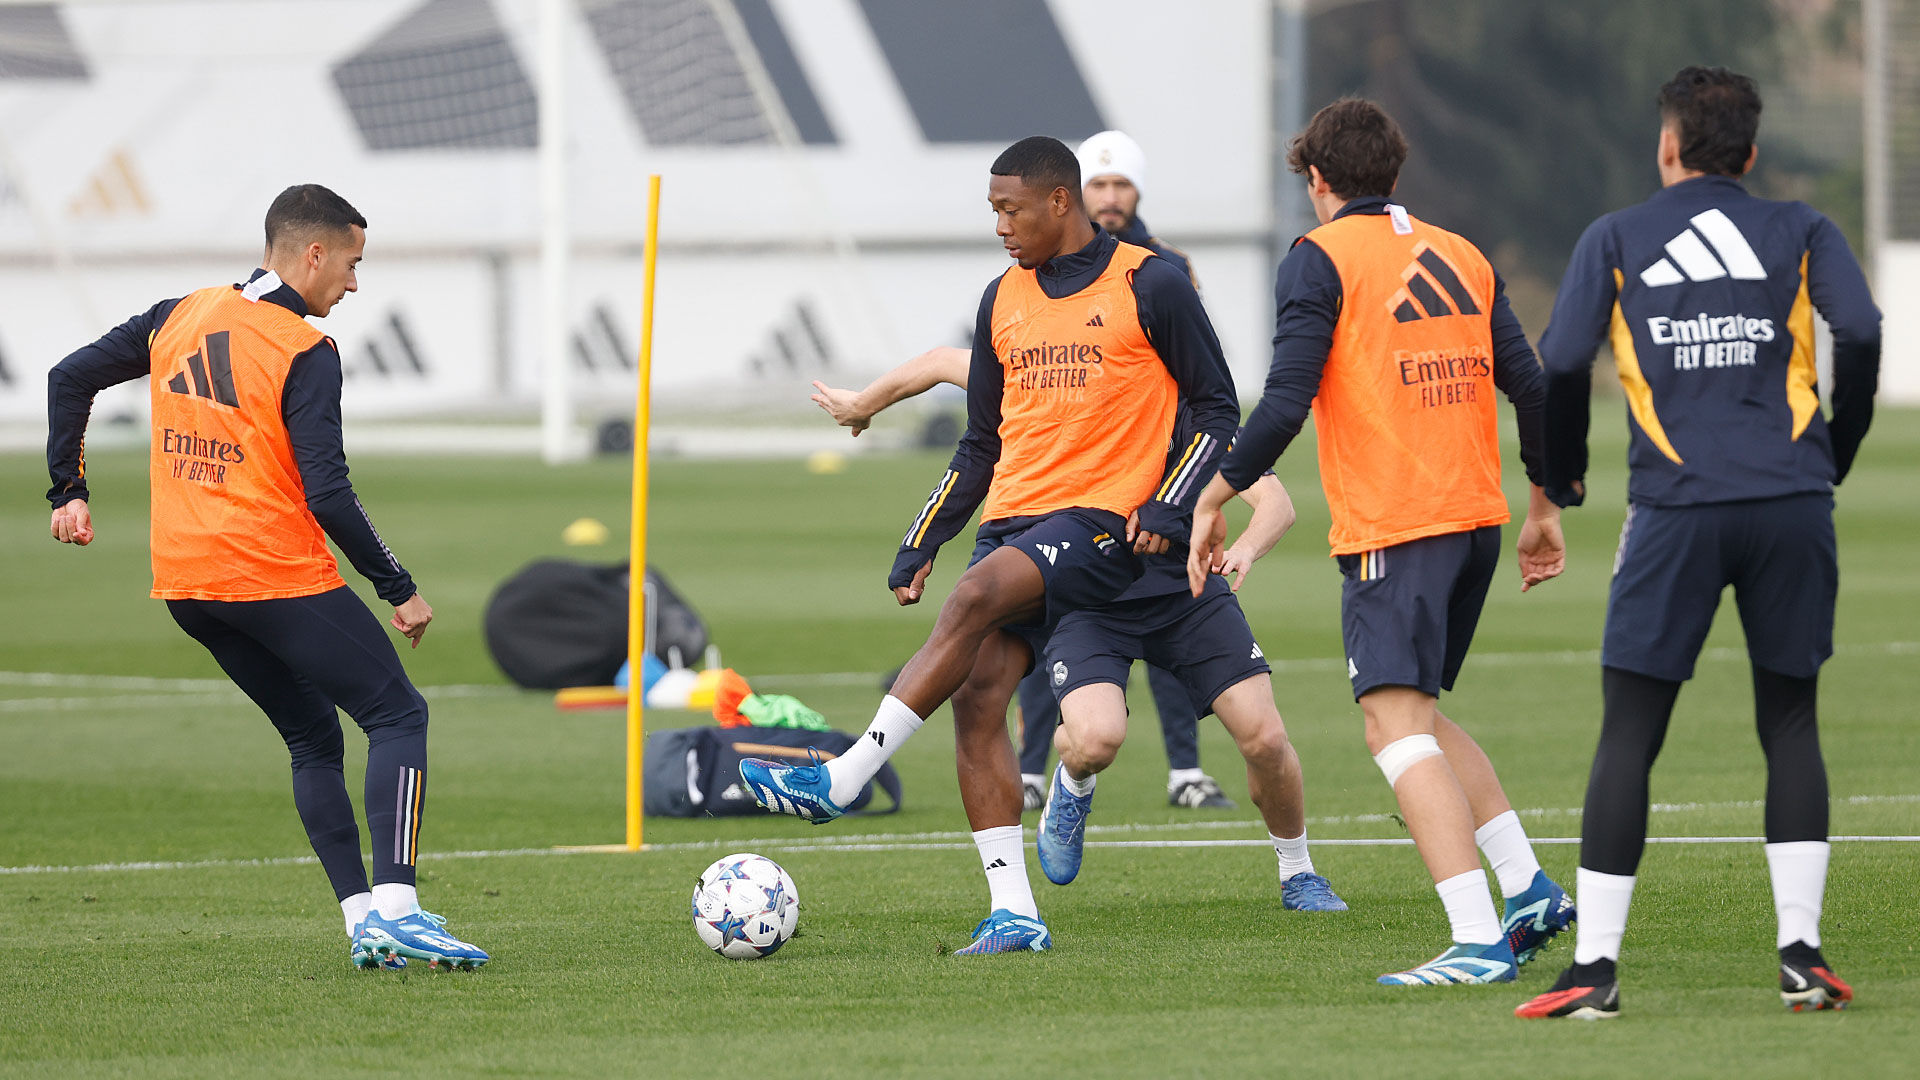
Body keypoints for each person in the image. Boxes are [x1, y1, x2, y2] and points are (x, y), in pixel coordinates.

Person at [741, 136, 1240, 954]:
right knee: (976, 703)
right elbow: (980, 445)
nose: (1000, 225)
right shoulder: (1001, 298)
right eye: (992, 211)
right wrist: (923, 537)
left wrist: (1171, 502)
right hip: (1014, 520)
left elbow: (1221, 411)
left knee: (972, 603)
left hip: (1105, 523)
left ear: (1059, 202)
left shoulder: (1151, 282)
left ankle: (843, 777)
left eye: (1011, 209)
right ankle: (1015, 912)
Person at [43, 184, 488, 972]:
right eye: (351, 263)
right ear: (312, 253)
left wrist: (68, 490)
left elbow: (67, 376)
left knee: (312, 737)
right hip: (270, 571)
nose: (354, 283)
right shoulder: (303, 350)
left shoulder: (177, 313)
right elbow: (328, 491)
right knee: (397, 714)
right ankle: (401, 908)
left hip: (186, 582)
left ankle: (362, 922)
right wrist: (397, 585)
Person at [1515, 67, 1880, 1021]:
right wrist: (1835, 449)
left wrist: (1564, 476)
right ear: (1751, 155)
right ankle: (1802, 956)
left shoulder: (1619, 235)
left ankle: (1594, 970)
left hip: (1676, 509)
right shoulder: (1800, 228)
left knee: (1631, 731)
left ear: (1667, 147)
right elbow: (1864, 328)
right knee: (1791, 721)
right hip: (1792, 501)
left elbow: (1559, 360)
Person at [1189, 98, 1572, 986]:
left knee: (1391, 729)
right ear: (1395, 175)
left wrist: (1211, 495)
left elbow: (1285, 401)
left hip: (1399, 526)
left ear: (1317, 182)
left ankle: (1477, 942)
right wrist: (1544, 507)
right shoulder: (1463, 253)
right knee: (1421, 713)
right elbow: (1535, 387)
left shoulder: (1317, 259)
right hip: (1477, 518)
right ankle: (1527, 889)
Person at [1036, 440, 1347, 911]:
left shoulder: (1199, 417)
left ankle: (1298, 872)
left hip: (1189, 593)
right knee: (1096, 741)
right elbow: (954, 366)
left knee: (1265, 738)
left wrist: (1243, 548)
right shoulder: (1085, 400)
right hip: (1089, 601)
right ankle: (1074, 783)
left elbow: (1276, 505)